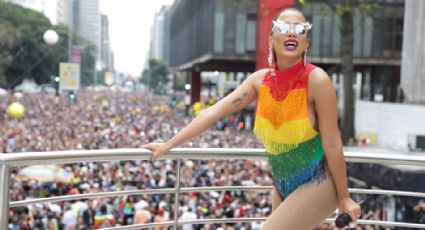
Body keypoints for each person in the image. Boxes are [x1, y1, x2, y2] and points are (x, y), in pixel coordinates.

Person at [143, 7, 360, 229]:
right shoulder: (259, 81)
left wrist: (344, 197)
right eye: (284, 28)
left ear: (306, 41)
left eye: (300, 29)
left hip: (319, 182)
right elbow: (213, 112)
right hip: (282, 184)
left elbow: (333, 143)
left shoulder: (317, 81)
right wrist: (169, 144)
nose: (292, 33)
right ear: (271, 39)